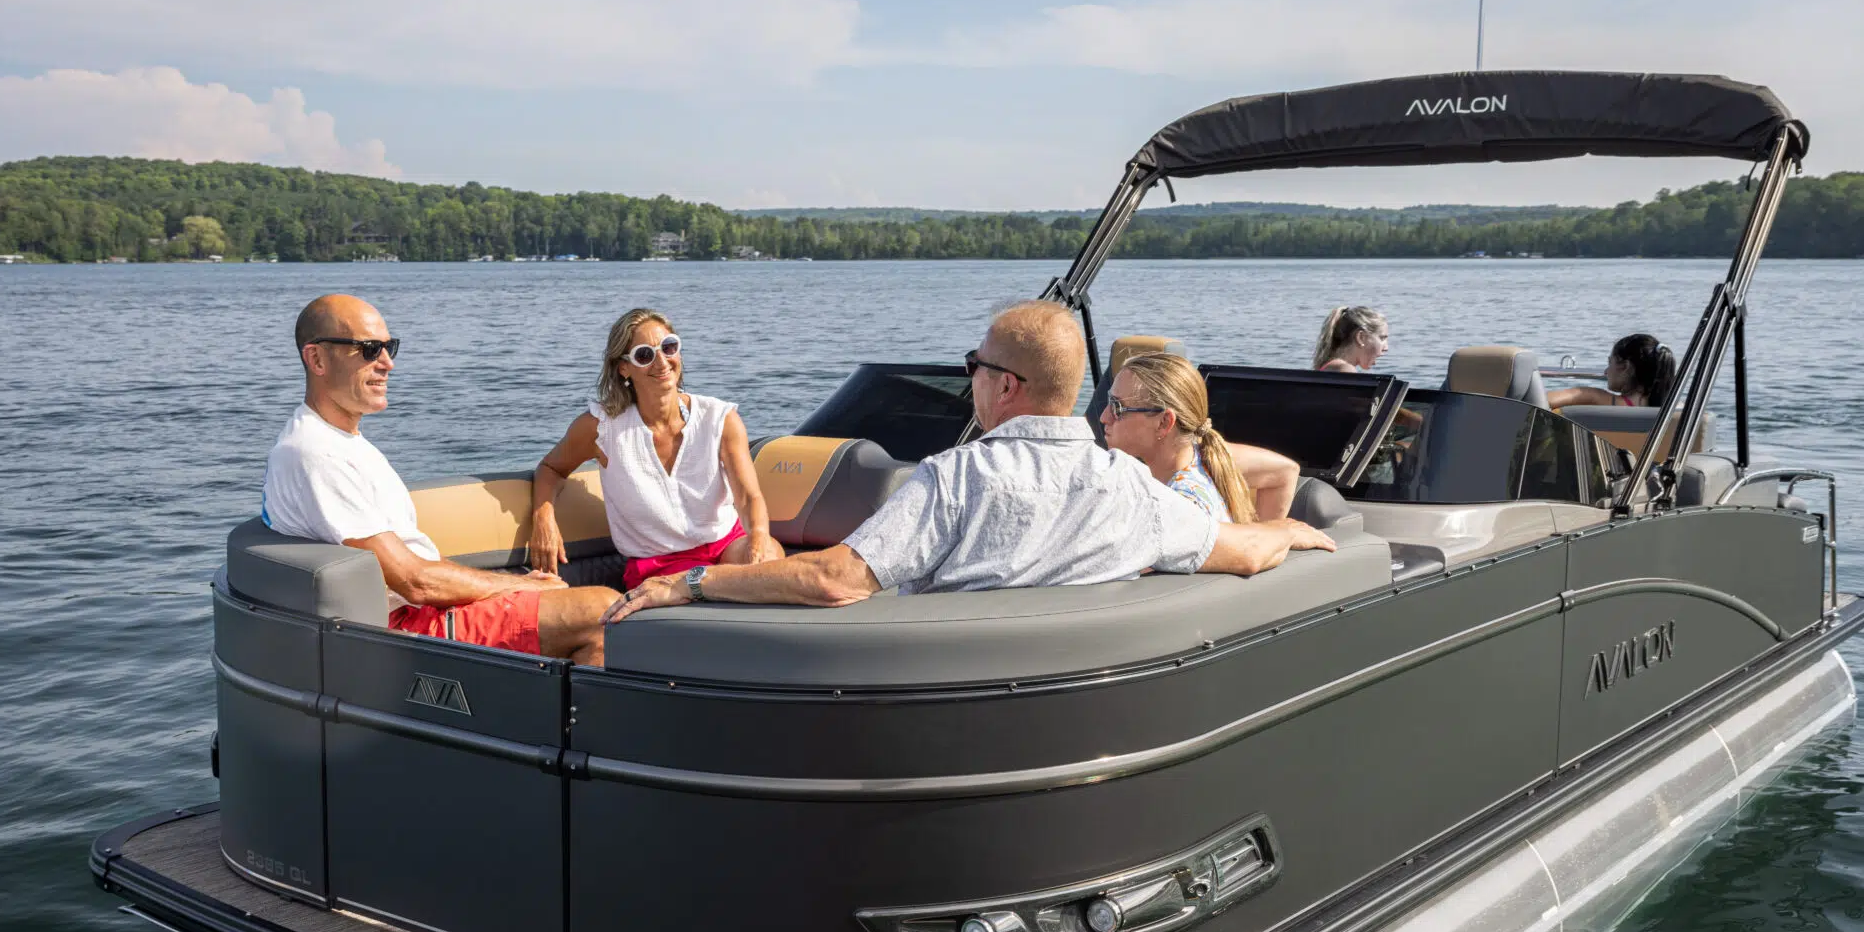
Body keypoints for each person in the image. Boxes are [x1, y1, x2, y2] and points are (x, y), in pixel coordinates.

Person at [602, 301, 1335, 625]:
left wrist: (694, 583)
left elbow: (834, 582)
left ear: (1006, 386)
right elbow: (1242, 553)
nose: (972, 378)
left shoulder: (956, 478)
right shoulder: (1132, 490)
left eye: (976, 366)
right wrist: (1295, 533)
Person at [261, 294, 615, 663]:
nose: (387, 363)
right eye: (369, 350)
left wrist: (518, 586)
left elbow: (415, 564)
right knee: (601, 611)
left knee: (593, 614)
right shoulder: (315, 453)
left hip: (415, 610)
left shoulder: (341, 442)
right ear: (316, 358)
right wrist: (518, 584)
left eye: (388, 347)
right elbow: (414, 581)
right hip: (400, 628)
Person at [529, 308, 783, 589]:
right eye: (644, 355)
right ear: (623, 367)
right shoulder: (601, 429)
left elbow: (748, 497)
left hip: (726, 547)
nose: (662, 361)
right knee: (709, 587)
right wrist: (544, 518)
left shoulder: (720, 419)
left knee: (771, 556)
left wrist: (758, 539)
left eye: (669, 347)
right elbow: (551, 468)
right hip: (661, 567)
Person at [1101, 351, 1301, 523]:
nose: (1104, 417)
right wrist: (1265, 534)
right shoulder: (1204, 457)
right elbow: (1284, 471)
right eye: (1108, 401)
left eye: (1117, 408)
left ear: (1164, 423)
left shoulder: (1182, 507)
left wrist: (1266, 538)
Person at [1546, 333, 1678, 409]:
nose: (1605, 372)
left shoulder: (1595, 398)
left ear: (1625, 366)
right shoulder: (1675, 409)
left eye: (1610, 363)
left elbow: (1539, 400)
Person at [1312, 306, 1390, 372]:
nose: (1386, 348)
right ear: (1361, 337)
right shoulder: (1345, 370)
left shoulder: (1329, 367)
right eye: (1382, 338)